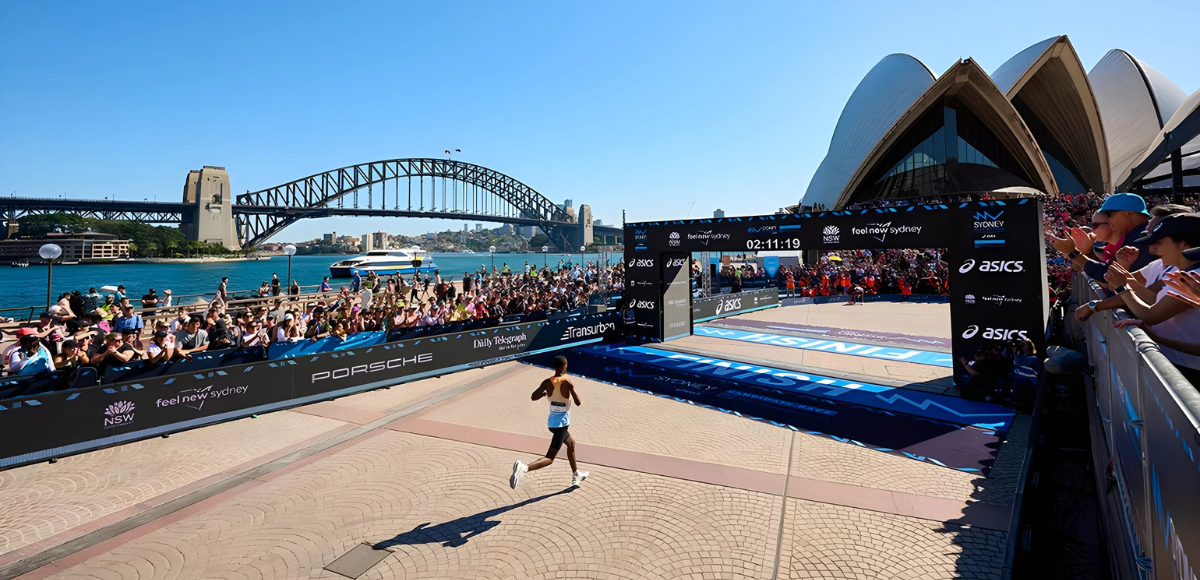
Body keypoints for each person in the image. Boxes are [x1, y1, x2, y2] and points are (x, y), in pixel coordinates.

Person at [1104, 213, 1200, 383]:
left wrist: (1122, 287)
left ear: (1184, 244)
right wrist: (1124, 278)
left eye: (1159, 242)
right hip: (1177, 360)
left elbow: (1150, 315)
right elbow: (1153, 300)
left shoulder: (1194, 277)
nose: (1152, 249)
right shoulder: (1181, 272)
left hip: (1189, 368)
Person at [510, 355, 589, 488]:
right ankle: (524, 468)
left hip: (552, 423)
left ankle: (576, 474)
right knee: (550, 458)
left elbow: (533, 397)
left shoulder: (547, 382)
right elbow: (578, 402)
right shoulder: (567, 382)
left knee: (571, 444)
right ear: (564, 368)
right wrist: (572, 389)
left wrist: (543, 394)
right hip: (561, 424)